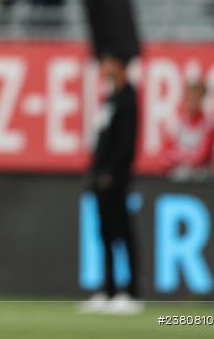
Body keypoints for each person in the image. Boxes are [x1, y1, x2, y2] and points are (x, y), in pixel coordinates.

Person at [80, 54, 142, 314]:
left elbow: (126, 143)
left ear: (118, 65)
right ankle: (108, 290)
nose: (103, 68)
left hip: (115, 179)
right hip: (101, 177)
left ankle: (132, 293)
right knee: (104, 233)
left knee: (122, 233)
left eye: (107, 63)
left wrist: (111, 172)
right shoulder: (111, 98)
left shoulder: (128, 99)